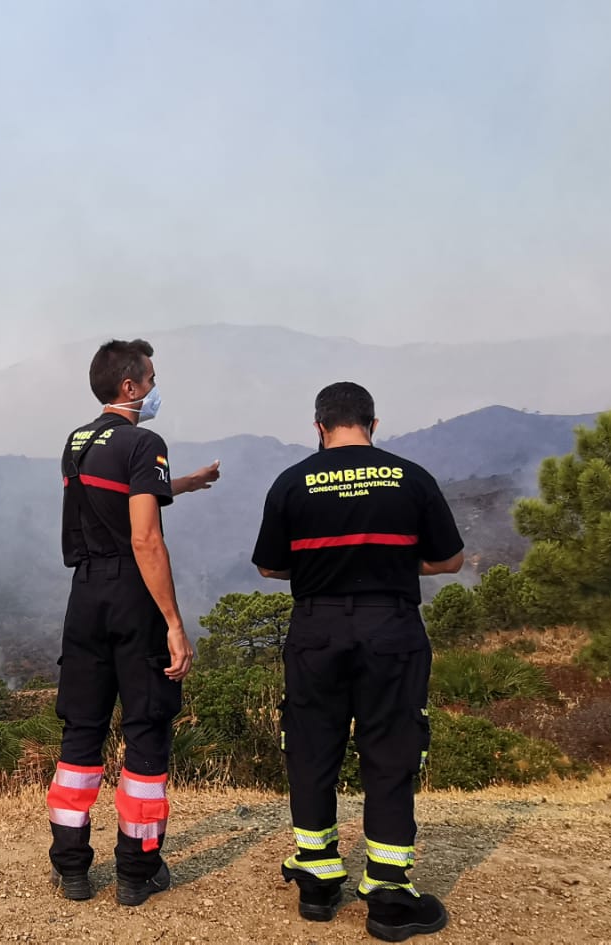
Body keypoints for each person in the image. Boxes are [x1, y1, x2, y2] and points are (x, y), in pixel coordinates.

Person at [251, 381, 463, 941]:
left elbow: (270, 569)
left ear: (318, 426)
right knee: (391, 750)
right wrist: (390, 563)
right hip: (390, 625)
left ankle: (317, 882)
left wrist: (331, 565)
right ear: (373, 423)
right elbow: (450, 561)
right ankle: (389, 896)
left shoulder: (292, 482)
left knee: (312, 748)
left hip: (316, 627)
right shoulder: (410, 476)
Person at [48, 339, 221, 907]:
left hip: (85, 594)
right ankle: (135, 871)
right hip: (132, 594)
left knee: (82, 731)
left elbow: (112, 498)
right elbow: (144, 536)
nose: (153, 389)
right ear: (130, 386)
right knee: (145, 728)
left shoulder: (78, 441)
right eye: (149, 379)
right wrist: (172, 621)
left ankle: (71, 869)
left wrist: (185, 483)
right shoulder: (146, 441)